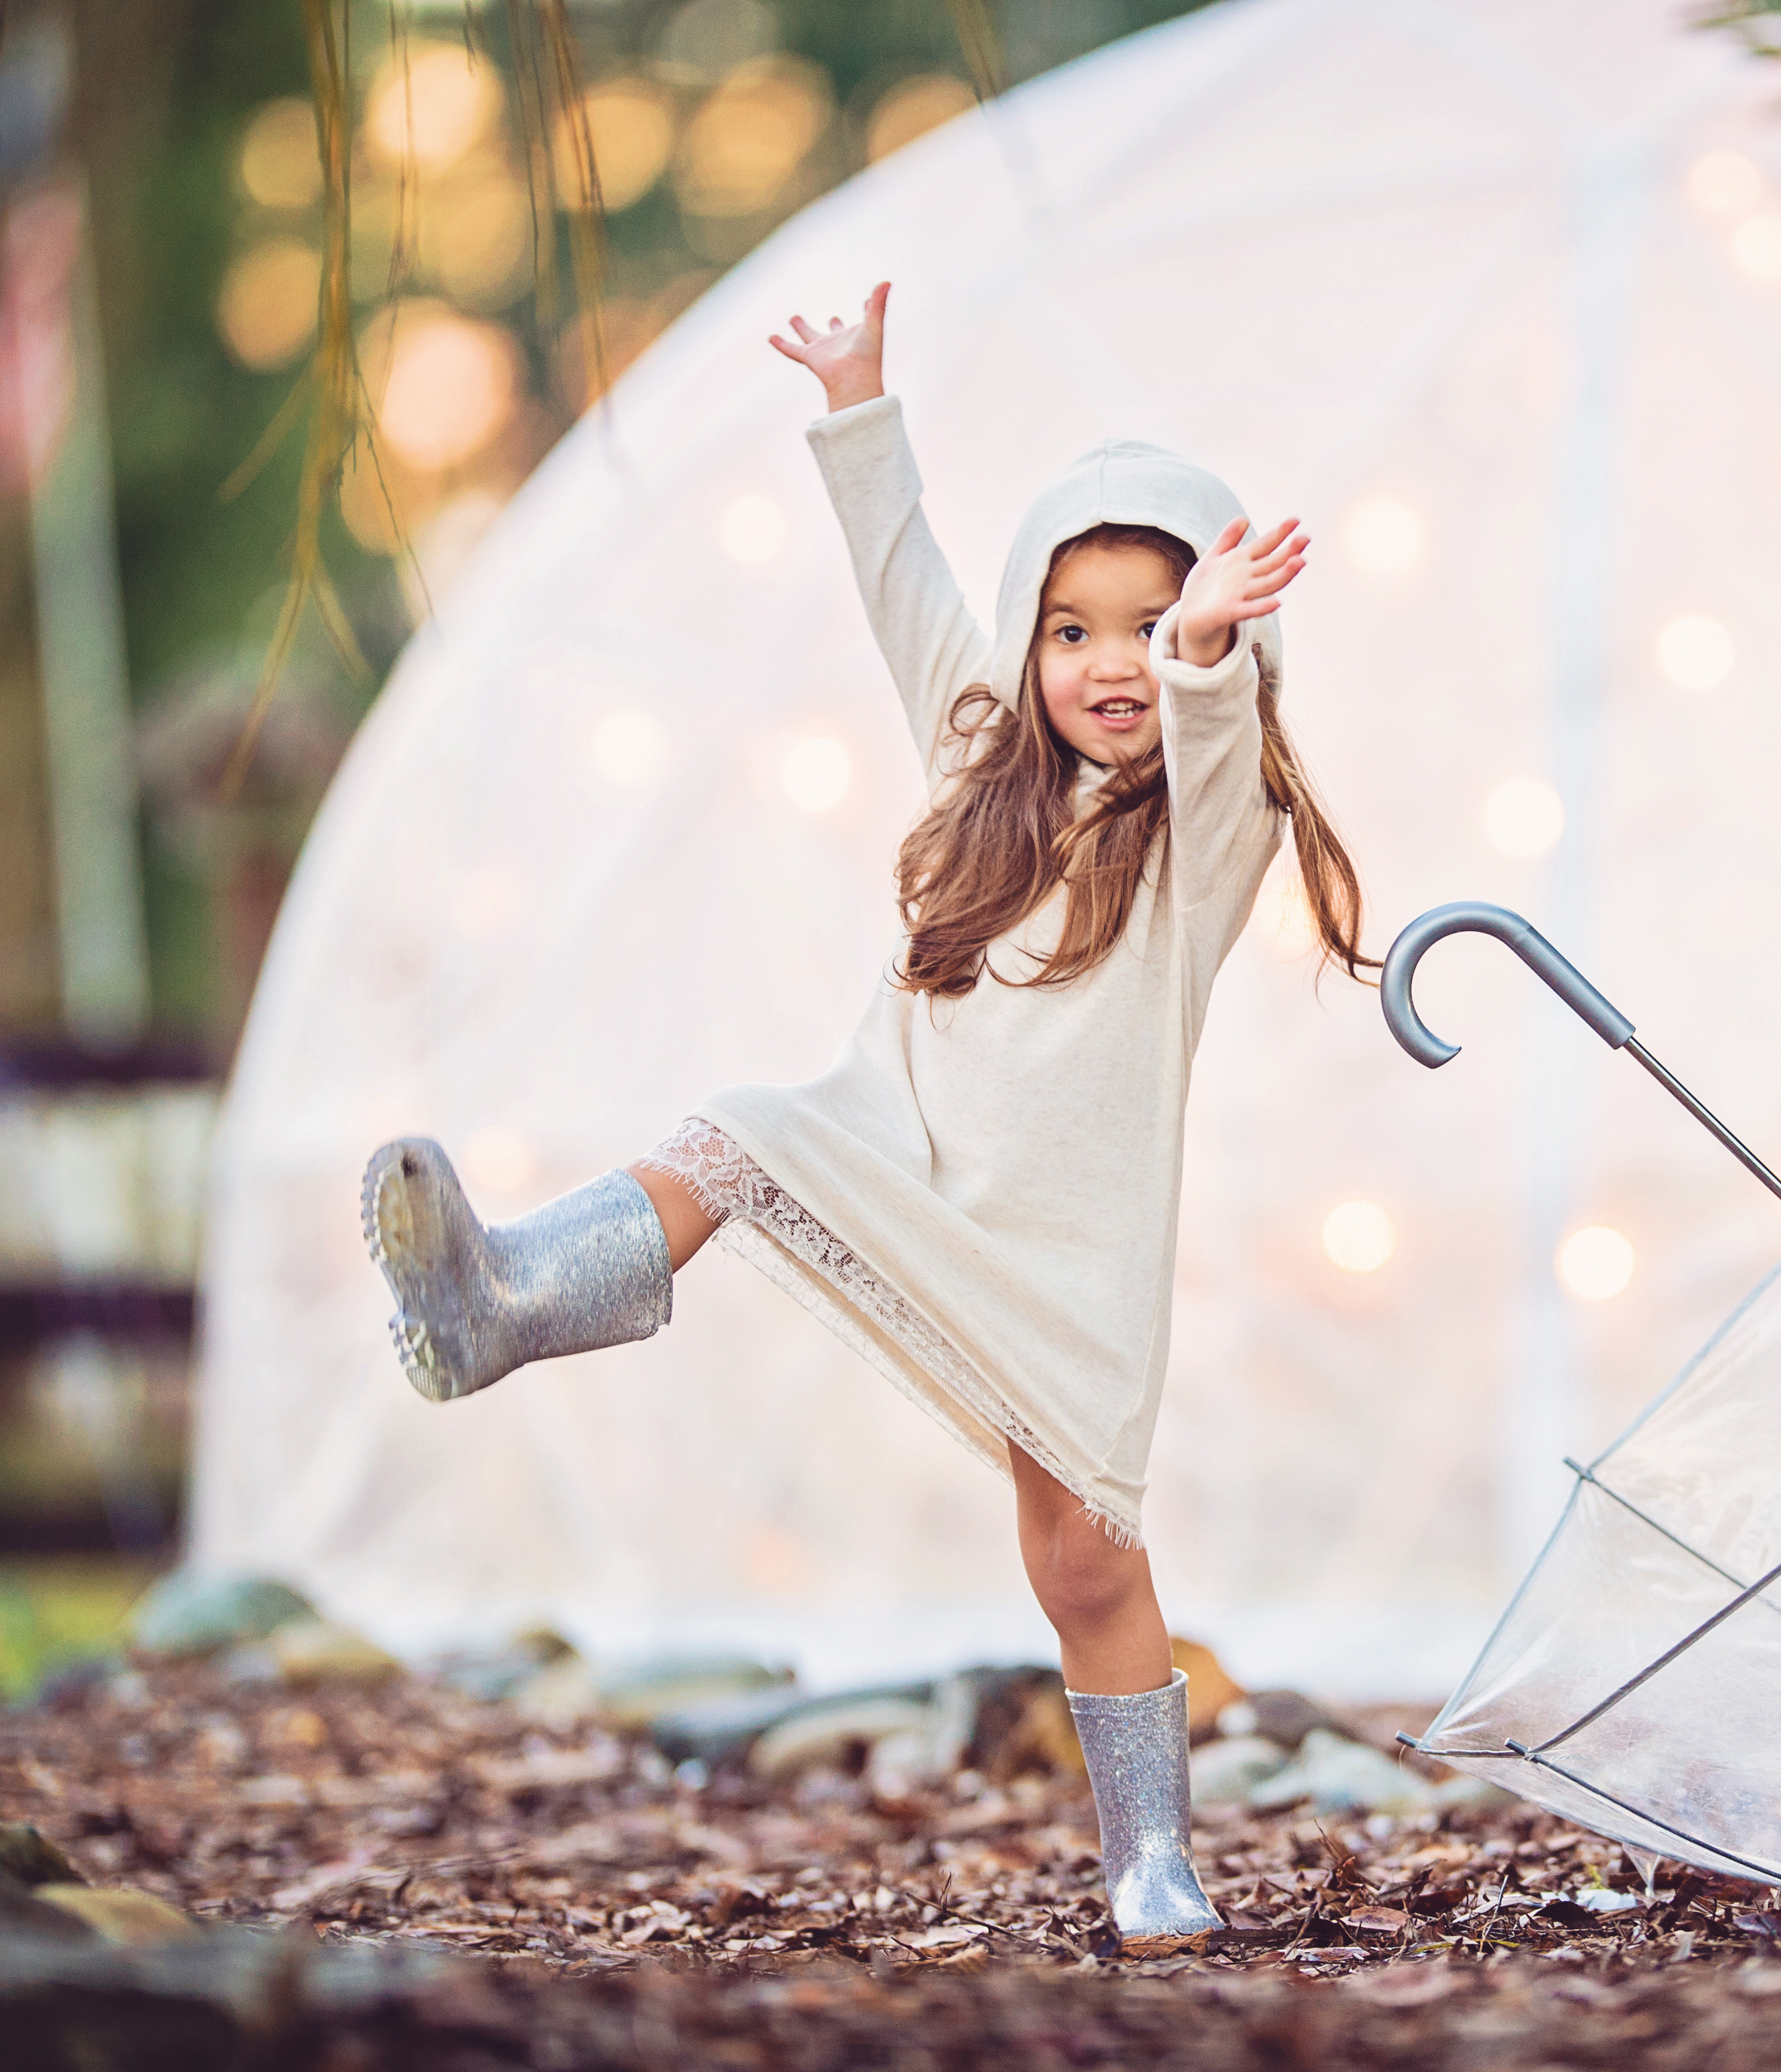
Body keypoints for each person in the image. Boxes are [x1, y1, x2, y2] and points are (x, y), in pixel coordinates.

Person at [357, 281, 1371, 1955]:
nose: (1110, 660)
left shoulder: (1214, 831)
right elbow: (905, 579)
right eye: (1074, 627)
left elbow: (1202, 724)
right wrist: (858, 403)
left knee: (1085, 1563)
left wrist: (1206, 659)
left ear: (1223, 636)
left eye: (1154, 620)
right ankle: (503, 1300)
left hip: (1072, 1252)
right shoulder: (982, 758)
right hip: (897, 1156)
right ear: (1027, 645)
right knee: (737, 1133)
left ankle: (1153, 1857)